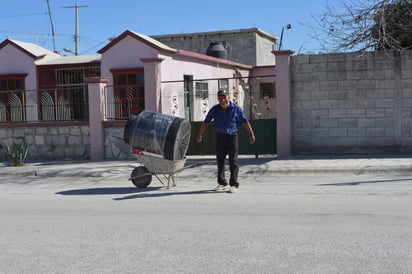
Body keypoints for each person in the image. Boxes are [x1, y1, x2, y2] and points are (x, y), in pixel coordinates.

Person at [196, 89, 256, 193]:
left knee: (233, 161)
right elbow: (206, 121)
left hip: (232, 137)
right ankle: (222, 183)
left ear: (228, 97)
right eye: (220, 98)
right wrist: (200, 133)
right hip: (220, 137)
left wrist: (251, 134)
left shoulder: (236, 109)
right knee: (220, 161)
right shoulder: (215, 109)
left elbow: (245, 121)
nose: (222, 100)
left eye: (224, 97)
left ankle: (234, 184)